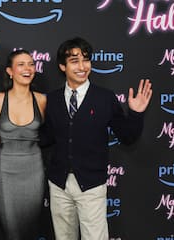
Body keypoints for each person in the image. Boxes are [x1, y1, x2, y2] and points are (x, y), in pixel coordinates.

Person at [40, 37, 152, 240]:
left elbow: (127, 137)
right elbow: (46, 138)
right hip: (58, 185)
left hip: (91, 185)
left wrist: (135, 114)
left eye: (86, 60)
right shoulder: (53, 99)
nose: (82, 67)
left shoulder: (104, 98)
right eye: (74, 61)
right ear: (62, 66)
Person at [0, 49, 47, 240]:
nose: (28, 68)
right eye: (21, 64)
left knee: (30, 230)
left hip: (34, 171)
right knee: (11, 231)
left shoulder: (42, 100)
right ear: (10, 71)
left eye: (31, 64)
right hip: (6, 171)